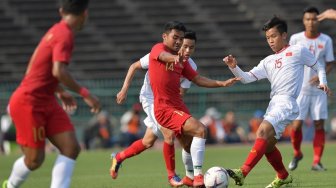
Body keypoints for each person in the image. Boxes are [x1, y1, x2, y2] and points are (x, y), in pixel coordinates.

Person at [2, 1, 101, 188]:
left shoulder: (55, 30)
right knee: (34, 160)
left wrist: (59, 91)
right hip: (29, 102)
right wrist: (85, 93)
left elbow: (35, 68)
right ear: (85, 14)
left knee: (71, 148)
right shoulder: (64, 35)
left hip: (46, 100)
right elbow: (58, 71)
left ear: (61, 11)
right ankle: (10, 186)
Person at [223, 16, 329, 188]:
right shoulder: (268, 61)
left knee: (262, 130)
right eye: (268, 38)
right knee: (268, 145)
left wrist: (323, 81)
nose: (270, 41)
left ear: (284, 35)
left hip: (287, 102)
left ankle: (243, 172)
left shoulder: (297, 51)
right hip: (274, 103)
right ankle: (283, 176)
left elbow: (319, 65)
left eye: (274, 36)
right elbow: (246, 78)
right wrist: (234, 67)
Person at [148, 21, 240, 187]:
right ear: (165, 37)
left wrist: (222, 83)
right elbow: (163, 57)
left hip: (177, 105)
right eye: (175, 38)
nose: (178, 42)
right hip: (164, 108)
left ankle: (189, 177)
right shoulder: (158, 49)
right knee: (201, 129)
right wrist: (177, 58)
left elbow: (197, 79)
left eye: (180, 39)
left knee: (188, 144)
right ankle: (198, 176)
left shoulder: (183, 62)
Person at [111, 31, 199, 187]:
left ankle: (118, 157)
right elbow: (134, 66)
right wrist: (124, 89)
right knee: (168, 132)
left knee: (148, 142)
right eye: (184, 46)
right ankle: (172, 176)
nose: (186, 50)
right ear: (177, 43)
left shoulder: (191, 66)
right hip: (150, 98)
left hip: (168, 102)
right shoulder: (160, 52)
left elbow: (181, 93)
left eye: (191, 48)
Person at [287, 6, 335, 171]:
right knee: (296, 125)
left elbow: (330, 63)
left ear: (318, 20)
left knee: (319, 125)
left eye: (314, 19)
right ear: (303, 21)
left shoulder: (326, 40)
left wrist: (320, 75)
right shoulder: (295, 39)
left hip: (318, 90)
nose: (311, 22)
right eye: (307, 19)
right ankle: (297, 153)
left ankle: (316, 161)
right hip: (300, 90)